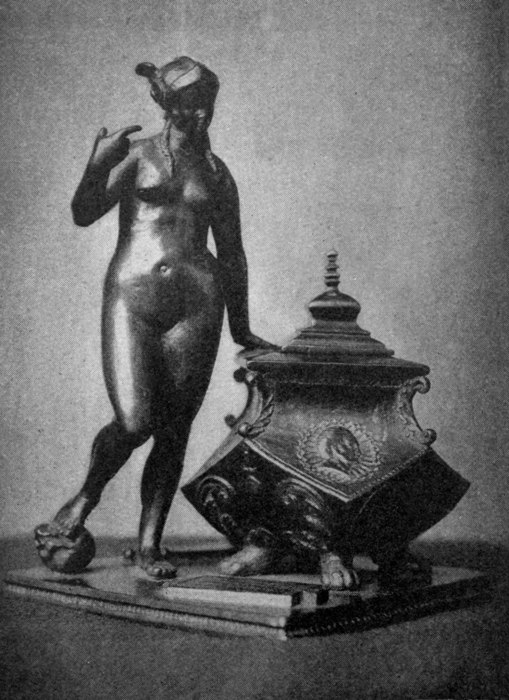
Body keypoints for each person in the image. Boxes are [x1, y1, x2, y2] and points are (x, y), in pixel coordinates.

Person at [35, 57, 275, 578]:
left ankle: (150, 543)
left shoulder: (217, 173)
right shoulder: (138, 156)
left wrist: (241, 327)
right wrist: (95, 165)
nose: (202, 115)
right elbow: (83, 212)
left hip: (198, 306)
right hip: (133, 299)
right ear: (167, 105)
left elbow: (232, 253)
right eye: (190, 106)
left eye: (208, 105)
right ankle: (86, 496)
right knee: (135, 421)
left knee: (174, 429)